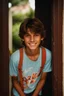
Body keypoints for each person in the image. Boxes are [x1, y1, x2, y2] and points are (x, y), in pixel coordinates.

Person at [9, 18, 52, 96]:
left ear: (42, 37)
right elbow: (14, 81)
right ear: (22, 37)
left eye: (36, 35)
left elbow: (42, 79)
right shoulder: (15, 58)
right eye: (28, 35)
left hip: (36, 92)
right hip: (19, 93)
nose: (32, 40)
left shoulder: (47, 55)